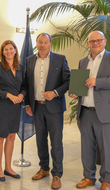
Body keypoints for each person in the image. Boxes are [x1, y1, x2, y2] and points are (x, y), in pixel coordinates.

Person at [69, 31, 110, 190]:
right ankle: (88, 177)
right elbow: (82, 84)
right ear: (88, 43)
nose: (95, 43)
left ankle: (106, 180)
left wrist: (97, 81)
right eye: (92, 41)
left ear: (104, 41)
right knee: (87, 146)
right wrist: (76, 92)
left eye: (98, 40)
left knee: (106, 148)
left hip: (106, 112)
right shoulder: (83, 61)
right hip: (85, 111)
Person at [24, 33, 70, 189]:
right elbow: (26, 84)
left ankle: (57, 174)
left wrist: (55, 92)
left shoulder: (60, 59)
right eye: (40, 42)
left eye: (45, 42)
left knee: (56, 142)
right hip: (37, 107)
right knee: (40, 140)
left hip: (54, 107)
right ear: (36, 43)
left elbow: (68, 80)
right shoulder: (29, 60)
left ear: (50, 43)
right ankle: (44, 168)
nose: (42, 45)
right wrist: (27, 104)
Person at [0, 40, 25, 182]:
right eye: (6, 49)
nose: (9, 51)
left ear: (15, 50)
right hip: (1, 107)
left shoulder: (21, 67)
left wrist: (22, 95)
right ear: (2, 52)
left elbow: (25, 86)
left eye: (11, 48)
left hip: (15, 107)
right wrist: (8, 95)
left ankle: (8, 167)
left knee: (11, 137)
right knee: (0, 138)